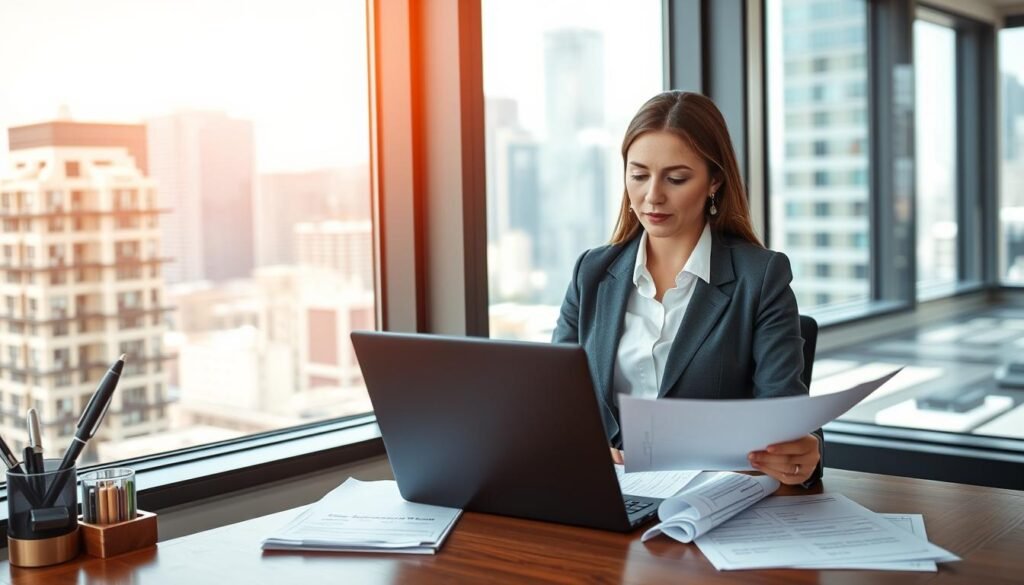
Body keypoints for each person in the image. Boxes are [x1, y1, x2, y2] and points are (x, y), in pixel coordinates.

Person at [552, 91, 822, 486]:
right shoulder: (591, 272)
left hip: (707, 501)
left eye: (676, 178)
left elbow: (785, 417)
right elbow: (555, 402)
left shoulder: (760, 277)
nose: (652, 195)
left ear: (714, 181)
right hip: (601, 492)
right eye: (639, 174)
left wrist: (803, 451)